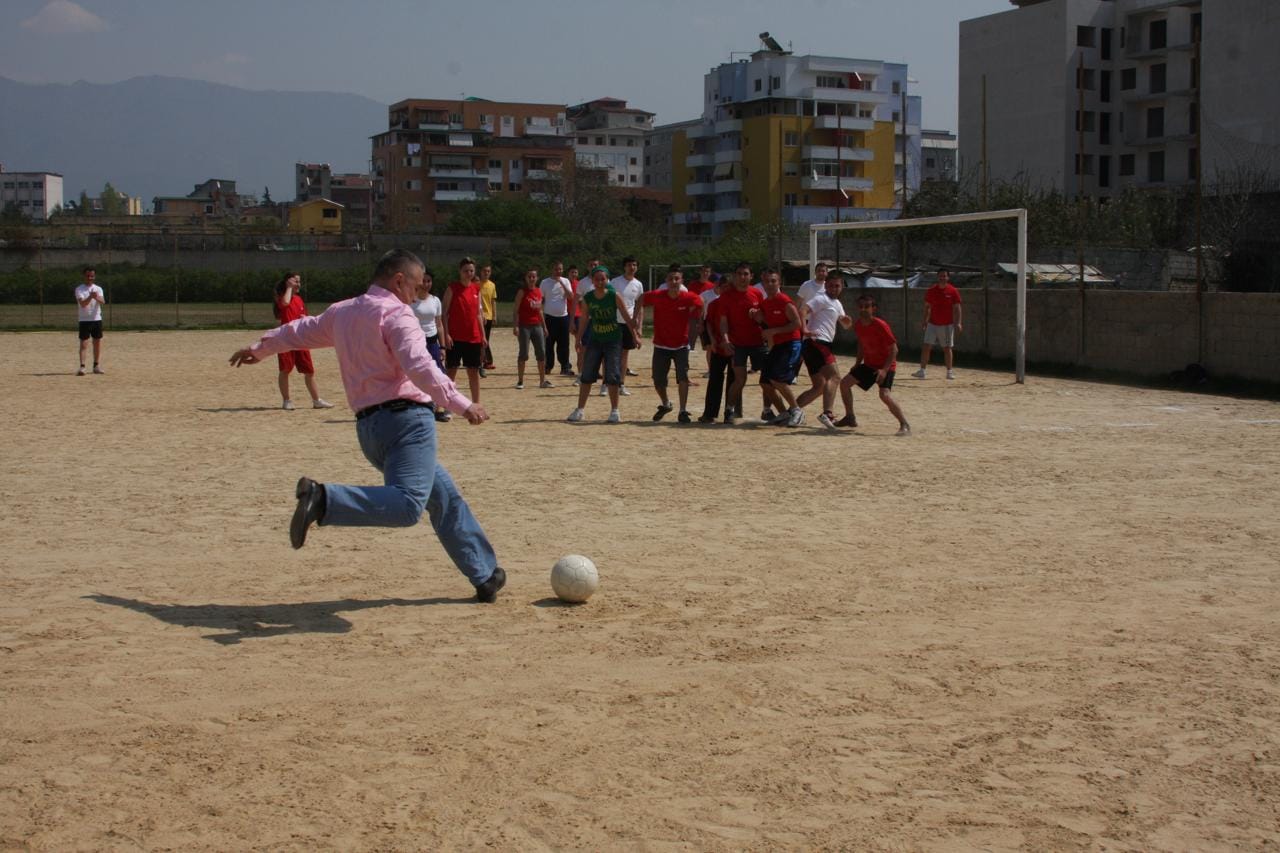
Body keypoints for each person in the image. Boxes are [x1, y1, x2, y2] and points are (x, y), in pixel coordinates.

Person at [228, 249, 507, 603]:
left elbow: (300, 330)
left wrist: (260, 347)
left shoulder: (343, 312)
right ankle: (324, 500)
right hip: (408, 424)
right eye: (417, 285)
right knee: (407, 505)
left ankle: (484, 574)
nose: (418, 293)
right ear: (399, 281)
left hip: (370, 430)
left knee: (442, 497)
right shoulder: (396, 314)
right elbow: (420, 367)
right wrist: (463, 404)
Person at [567, 265, 637, 424]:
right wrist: (578, 339)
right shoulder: (588, 298)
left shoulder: (614, 296)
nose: (600, 282)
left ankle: (614, 411)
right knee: (587, 375)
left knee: (613, 376)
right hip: (595, 339)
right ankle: (580, 410)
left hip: (613, 340)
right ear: (592, 280)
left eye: (603, 279)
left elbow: (626, 318)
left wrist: (635, 336)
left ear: (607, 279)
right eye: (597, 279)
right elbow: (584, 319)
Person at [839, 292, 911, 436]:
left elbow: (894, 350)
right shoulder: (858, 325)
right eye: (861, 307)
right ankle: (850, 417)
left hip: (885, 366)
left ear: (874, 309)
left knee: (884, 395)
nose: (863, 309)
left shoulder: (880, 325)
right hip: (869, 364)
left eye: (867, 306)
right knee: (844, 384)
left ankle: (904, 424)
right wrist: (857, 363)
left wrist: (884, 370)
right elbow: (861, 345)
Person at [640, 264, 703, 423]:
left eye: (677, 278)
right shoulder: (658, 295)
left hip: (681, 345)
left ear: (681, 281)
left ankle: (682, 410)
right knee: (658, 381)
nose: (674, 281)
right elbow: (641, 299)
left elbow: (700, 303)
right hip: (661, 345)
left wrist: (696, 318)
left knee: (682, 377)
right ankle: (666, 403)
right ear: (666, 281)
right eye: (671, 278)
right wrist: (635, 320)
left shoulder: (688, 296)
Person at [795, 272, 855, 430]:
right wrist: (805, 329)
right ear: (825, 285)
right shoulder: (821, 298)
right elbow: (802, 310)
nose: (834, 288)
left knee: (820, 386)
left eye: (837, 286)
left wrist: (848, 322)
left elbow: (845, 325)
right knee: (834, 377)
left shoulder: (837, 303)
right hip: (818, 342)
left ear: (842, 287)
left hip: (814, 344)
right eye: (831, 285)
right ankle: (827, 413)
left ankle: (792, 411)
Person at [719, 261, 777, 423]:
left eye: (746, 274)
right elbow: (723, 321)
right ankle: (729, 410)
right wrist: (725, 339)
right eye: (739, 274)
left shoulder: (757, 294)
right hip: (738, 344)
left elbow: (765, 318)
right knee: (740, 379)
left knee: (767, 379)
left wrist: (760, 318)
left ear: (751, 276)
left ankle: (767, 410)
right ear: (734, 276)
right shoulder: (726, 296)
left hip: (758, 343)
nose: (742, 277)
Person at [272, 272, 334, 410]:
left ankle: (316, 400)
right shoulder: (283, 297)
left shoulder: (299, 299)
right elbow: (285, 303)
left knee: (309, 371)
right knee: (285, 370)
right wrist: (288, 287)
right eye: (296, 281)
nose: (298, 284)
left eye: (299, 282)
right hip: (286, 339)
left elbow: (303, 315)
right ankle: (286, 400)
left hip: (301, 339)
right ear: (288, 283)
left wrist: (305, 318)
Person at [753, 268, 805, 427]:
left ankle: (797, 410)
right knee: (765, 382)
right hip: (778, 345)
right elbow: (761, 318)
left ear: (779, 283)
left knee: (777, 378)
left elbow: (797, 324)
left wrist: (773, 331)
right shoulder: (765, 303)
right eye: (767, 281)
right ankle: (783, 413)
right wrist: (755, 314)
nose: (770, 284)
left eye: (773, 281)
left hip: (791, 344)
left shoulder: (784, 301)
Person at [441, 257, 485, 404]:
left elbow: (478, 314)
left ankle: (477, 404)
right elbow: (444, 313)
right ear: (460, 271)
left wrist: (483, 335)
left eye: (471, 270)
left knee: (473, 372)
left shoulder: (476, 289)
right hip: (455, 337)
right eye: (466, 270)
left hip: (473, 337)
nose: (469, 273)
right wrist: (446, 334)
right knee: (451, 372)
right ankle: (448, 406)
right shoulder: (452, 288)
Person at [410, 269, 451, 422]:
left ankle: (439, 408)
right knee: (416, 375)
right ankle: (419, 407)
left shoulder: (435, 301)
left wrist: (443, 347)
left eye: (429, 281)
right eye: (424, 281)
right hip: (415, 342)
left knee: (438, 374)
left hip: (432, 341)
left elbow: (439, 325)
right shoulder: (411, 301)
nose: (426, 284)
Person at [914, 268, 963, 380]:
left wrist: (959, 322)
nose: (942, 278)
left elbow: (958, 308)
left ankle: (949, 372)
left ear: (948, 277)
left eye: (944, 276)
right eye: (940, 276)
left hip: (946, 325)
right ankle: (922, 371)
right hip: (932, 323)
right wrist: (925, 321)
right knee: (926, 346)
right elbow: (927, 307)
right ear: (938, 277)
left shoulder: (953, 291)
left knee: (947, 348)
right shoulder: (931, 291)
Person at [696, 276, 734, 423]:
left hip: (734, 346)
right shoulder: (714, 304)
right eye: (723, 287)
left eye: (728, 287)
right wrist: (711, 341)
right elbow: (709, 324)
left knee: (734, 380)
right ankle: (710, 413)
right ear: (719, 287)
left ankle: (730, 412)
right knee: (715, 379)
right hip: (718, 346)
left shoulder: (734, 303)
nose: (726, 290)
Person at [608, 256, 645, 393]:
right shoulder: (615, 282)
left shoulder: (638, 284)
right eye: (629, 265)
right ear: (624, 267)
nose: (632, 267)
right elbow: (609, 301)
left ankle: (621, 384)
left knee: (624, 354)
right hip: (615, 322)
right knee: (611, 354)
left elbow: (639, 306)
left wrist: (639, 326)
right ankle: (607, 383)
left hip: (628, 324)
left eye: (634, 265)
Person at [512, 266, 552, 390]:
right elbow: (515, 310)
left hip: (537, 326)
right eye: (529, 276)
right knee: (523, 353)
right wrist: (516, 326)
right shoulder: (522, 292)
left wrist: (544, 326)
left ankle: (542, 381)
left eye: (534, 276)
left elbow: (539, 310)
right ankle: (520, 381)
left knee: (541, 353)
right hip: (525, 326)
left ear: (537, 278)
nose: (531, 278)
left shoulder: (539, 291)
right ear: (526, 278)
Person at [539, 261, 576, 377]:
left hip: (563, 317)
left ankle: (565, 367)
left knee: (564, 344)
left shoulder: (565, 281)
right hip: (549, 317)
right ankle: (548, 366)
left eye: (560, 269)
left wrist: (562, 284)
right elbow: (541, 299)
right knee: (549, 343)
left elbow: (571, 297)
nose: (558, 271)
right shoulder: (545, 282)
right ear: (552, 269)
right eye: (556, 269)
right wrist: (541, 316)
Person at [74, 266, 106, 375]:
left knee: (97, 343)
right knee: (84, 344)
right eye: (88, 276)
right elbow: (83, 304)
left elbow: (102, 301)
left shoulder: (98, 288)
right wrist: (90, 297)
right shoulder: (79, 289)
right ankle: (82, 367)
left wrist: (96, 297)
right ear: (84, 276)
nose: (90, 278)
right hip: (84, 320)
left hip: (96, 319)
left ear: (94, 276)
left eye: (92, 276)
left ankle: (96, 366)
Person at [477, 263, 498, 375]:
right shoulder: (476, 284)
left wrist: (494, 315)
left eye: (488, 271)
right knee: (480, 339)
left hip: (488, 316)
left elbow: (493, 301)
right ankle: (484, 361)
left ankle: (486, 361)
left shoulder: (492, 285)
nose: (486, 273)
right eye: (484, 271)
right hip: (478, 316)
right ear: (480, 272)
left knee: (485, 340)